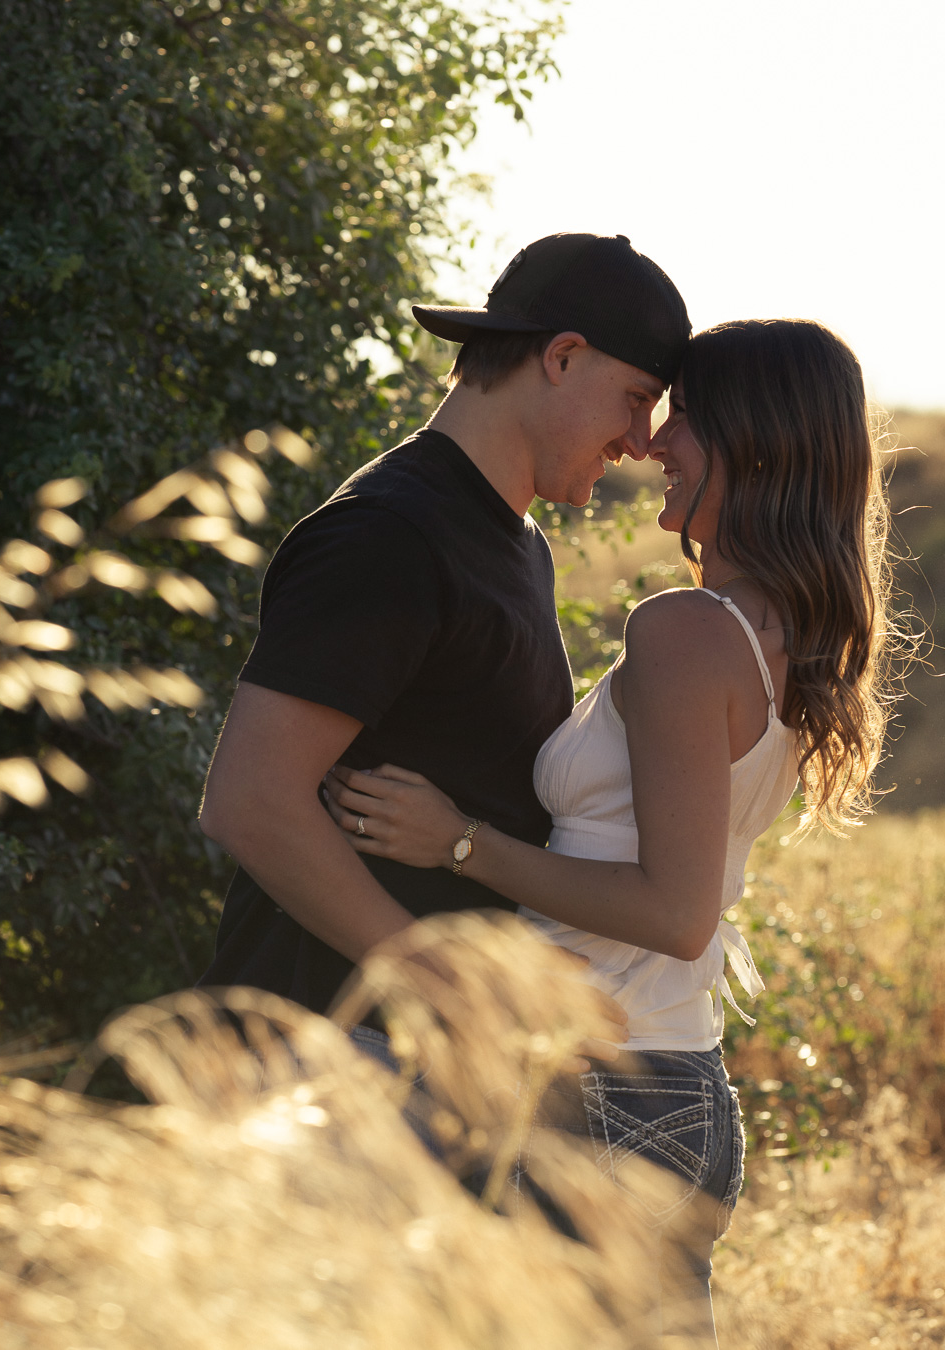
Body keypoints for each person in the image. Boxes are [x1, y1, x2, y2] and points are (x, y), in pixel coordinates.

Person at [323, 317, 892, 1341]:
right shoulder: (788, 640)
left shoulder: (685, 631)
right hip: (667, 1083)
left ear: (758, 445)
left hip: (605, 1094)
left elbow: (675, 912)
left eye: (686, 418)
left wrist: (460, 843)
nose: (655, 441)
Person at [196, 234, 691, 1047]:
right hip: (317, 1047)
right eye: (637, 399)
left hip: (414, 1058)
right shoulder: (390, 533)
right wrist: (452, 986)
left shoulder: (517, 543)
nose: (640, 440)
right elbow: (249, 802)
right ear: (563, 357)